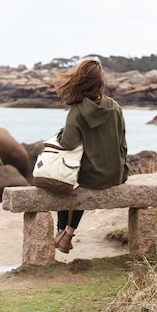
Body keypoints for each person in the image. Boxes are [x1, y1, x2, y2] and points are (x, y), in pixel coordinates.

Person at [52, 58, 129, 253]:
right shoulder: (115, 107)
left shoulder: (77, 110)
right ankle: (68, 234)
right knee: (84, 174)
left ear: (81, 81)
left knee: (66, 178)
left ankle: (62, 231)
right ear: (100, 82)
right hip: (114, 175)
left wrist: (61, 132)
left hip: (89, 177)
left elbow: (67, 143)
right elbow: (122, 144)